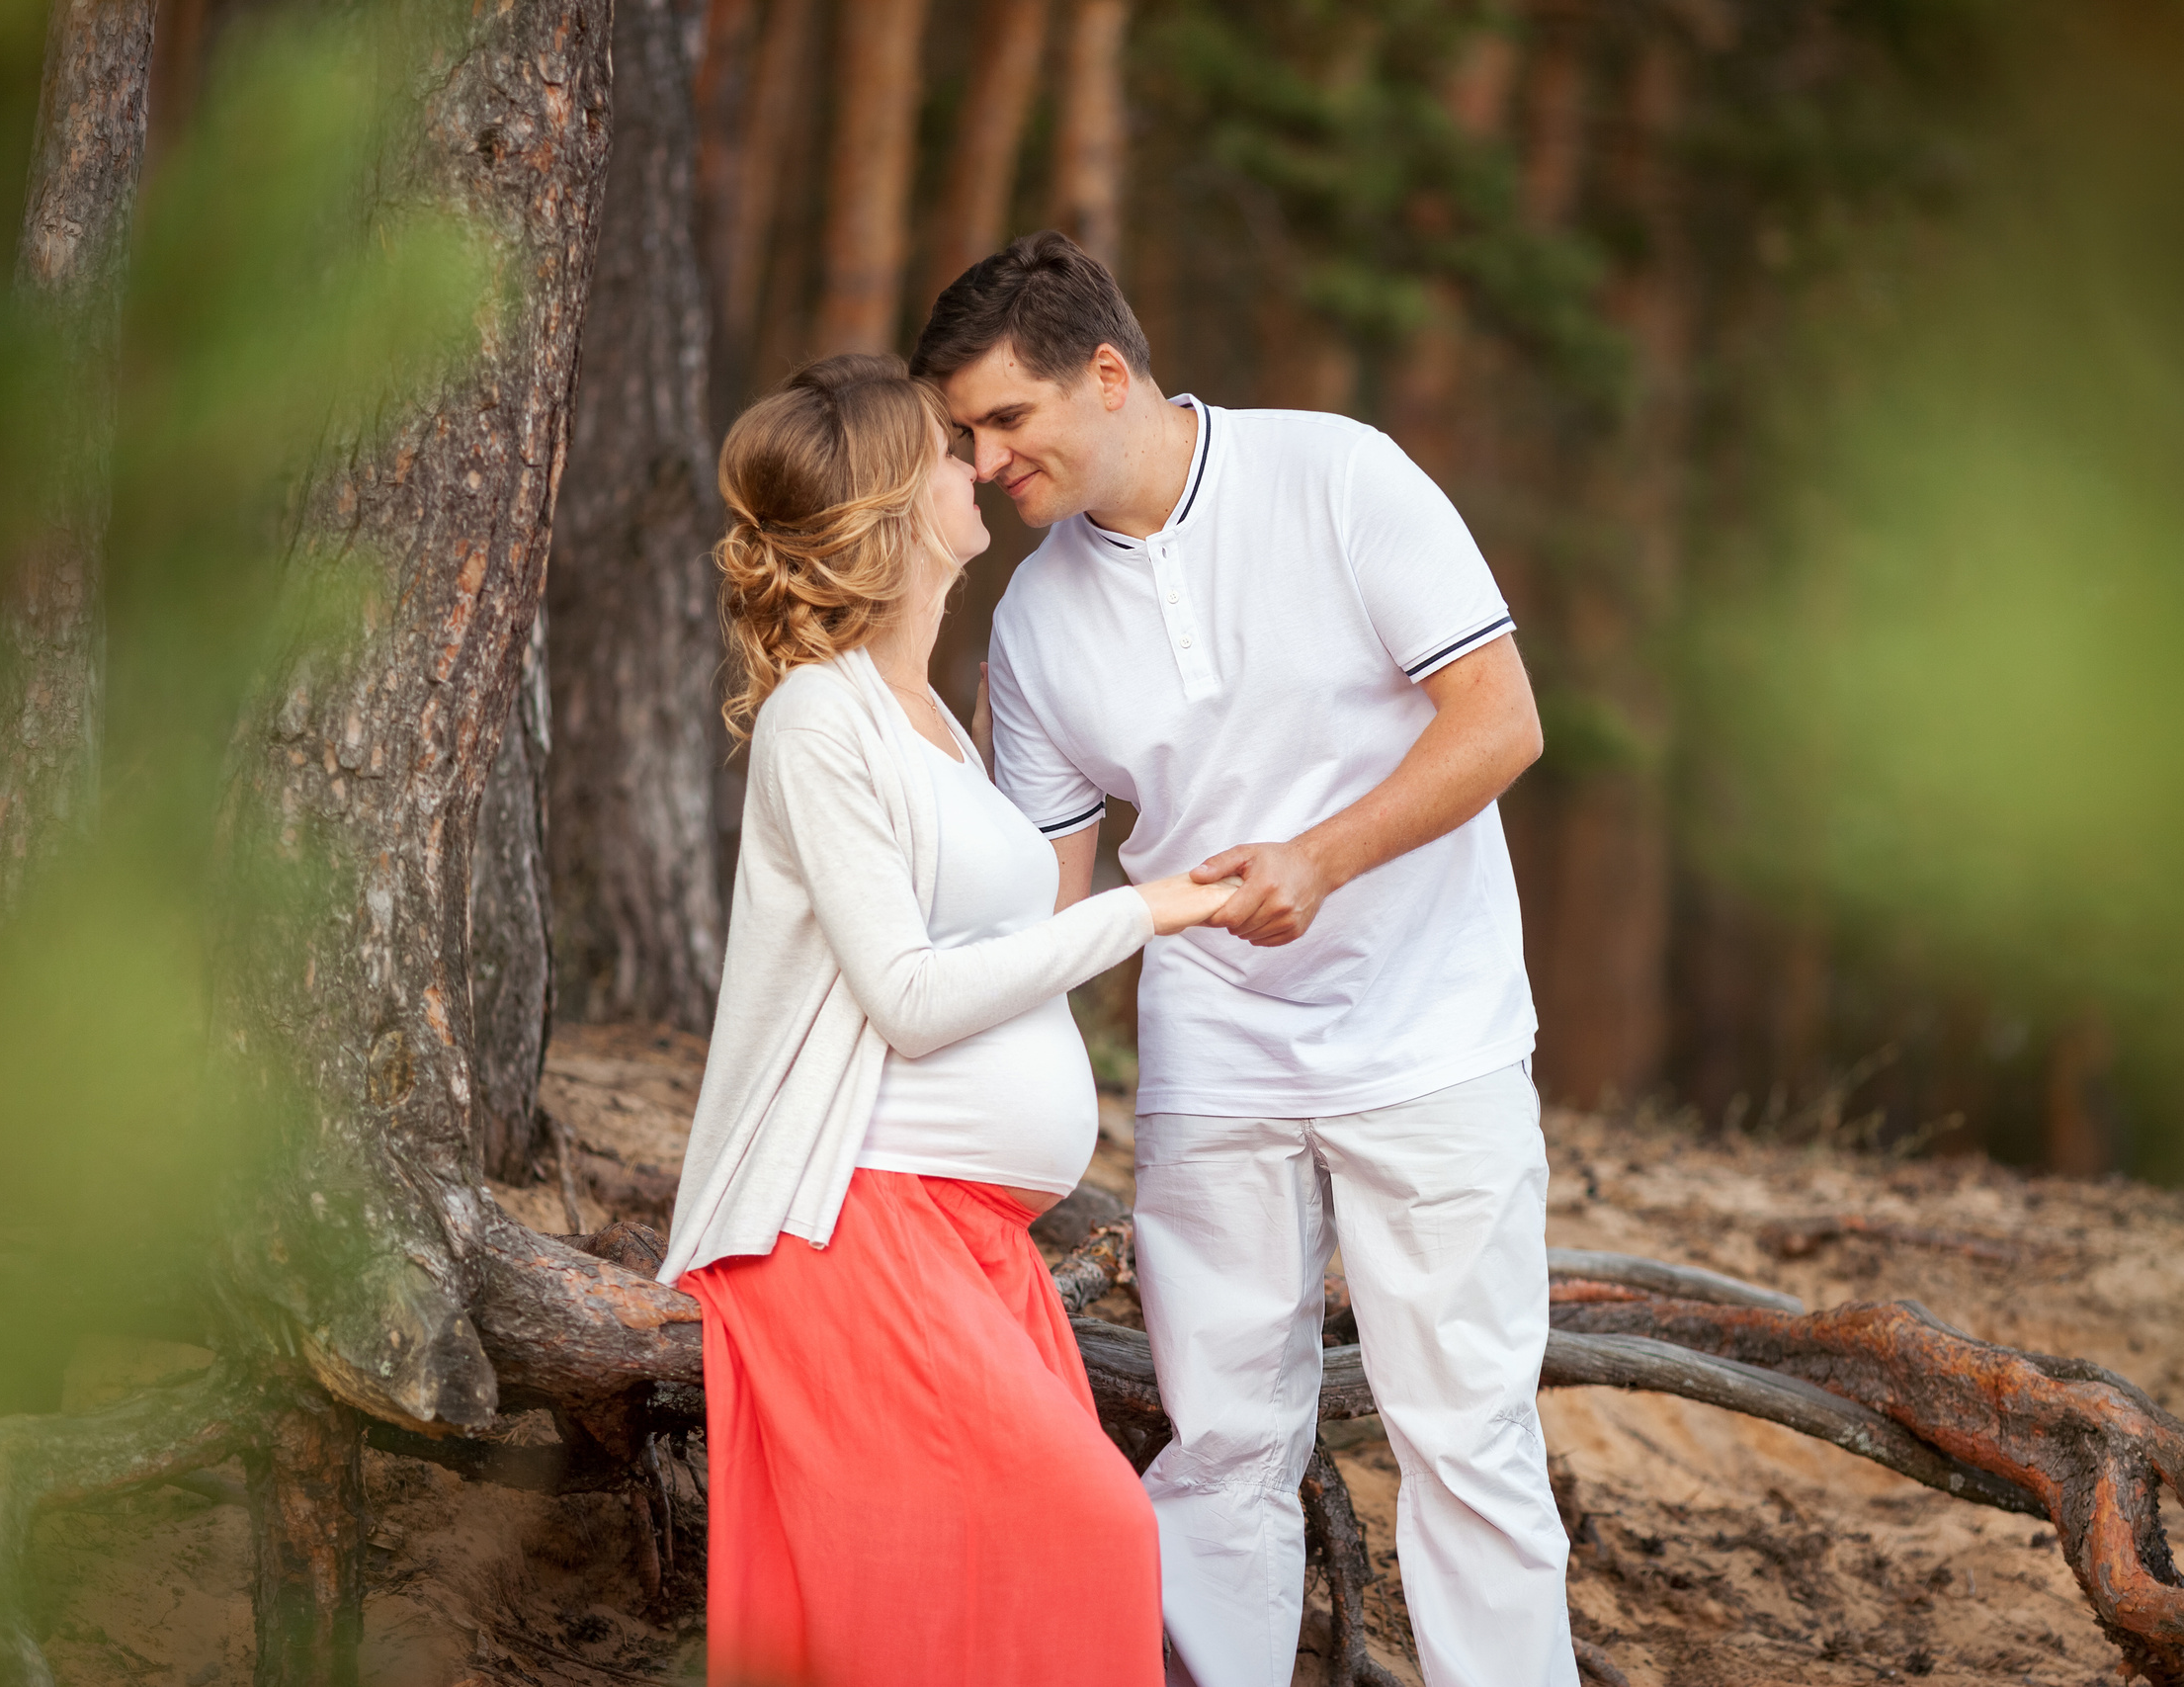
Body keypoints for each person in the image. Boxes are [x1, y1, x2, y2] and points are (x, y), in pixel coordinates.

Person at [912, 232, 1575, 1687]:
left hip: (1435, 1028)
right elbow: (1048, 912)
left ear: (1107, 374)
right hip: (1212, 1044)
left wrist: (1320, 859)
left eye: (1006, 419)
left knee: (1466, 1434)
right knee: (1219, 1441)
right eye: (965, 436)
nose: (984, 461)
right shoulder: (1031, 623)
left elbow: (1502, 721)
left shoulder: (1338, 476)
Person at [653, 352, 1232, 1687]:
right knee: (1082, 1539)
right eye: (945, 450)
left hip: (972, 1244)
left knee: (1004, 1588)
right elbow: (908, 1001)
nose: (978, 466)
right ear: (896, 504)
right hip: (859, 1225)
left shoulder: (935, 727)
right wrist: (1146, 913)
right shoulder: (819, 720)